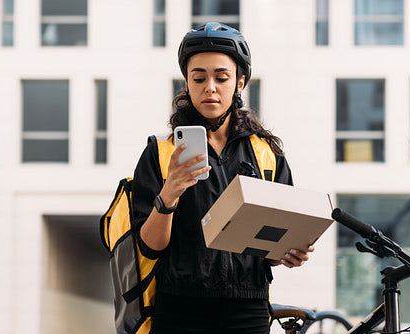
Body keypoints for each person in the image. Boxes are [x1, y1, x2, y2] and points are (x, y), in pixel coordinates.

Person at [131, 22, 315, 334]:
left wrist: (289, 252)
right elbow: (149, 247)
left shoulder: (266, 154)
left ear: (240, 82)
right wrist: (170, 193)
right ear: (187, 84)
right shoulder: (160, 153)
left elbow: (273, 239)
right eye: (198, 78)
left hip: (248, 310)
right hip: (179, 309)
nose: (210, 87)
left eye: (222, 77)